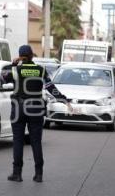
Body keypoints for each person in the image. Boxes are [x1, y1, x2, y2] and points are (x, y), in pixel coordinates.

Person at [7, 45, 73, 183]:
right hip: (36, 108)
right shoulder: (40, 70)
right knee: (36, 141)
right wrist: (63, 99)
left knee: (18, 141)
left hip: (19, 108)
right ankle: (38, 174)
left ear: (20, 56)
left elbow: (4, 79)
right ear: (32, 56)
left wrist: (13, 64)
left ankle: (17, 174)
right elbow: (50, 87)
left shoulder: (15, 70)